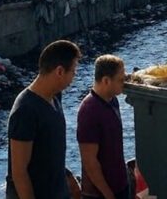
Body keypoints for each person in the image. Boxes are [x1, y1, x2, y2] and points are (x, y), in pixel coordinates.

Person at [7, 40, 82, 199]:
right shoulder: (25, 110)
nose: (74, 77)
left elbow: (49, 151)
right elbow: (19, 172)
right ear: (60, 71)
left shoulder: (55, 97)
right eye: (74, 72)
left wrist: (67, 176)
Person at [77, 55, 129, 199]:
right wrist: (107, 193)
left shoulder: (113, 100)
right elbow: (89, 160)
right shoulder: (89, 110)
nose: (124, 83)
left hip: (120, 186)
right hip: (98, 194)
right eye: (121, 80)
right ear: (106, 80)